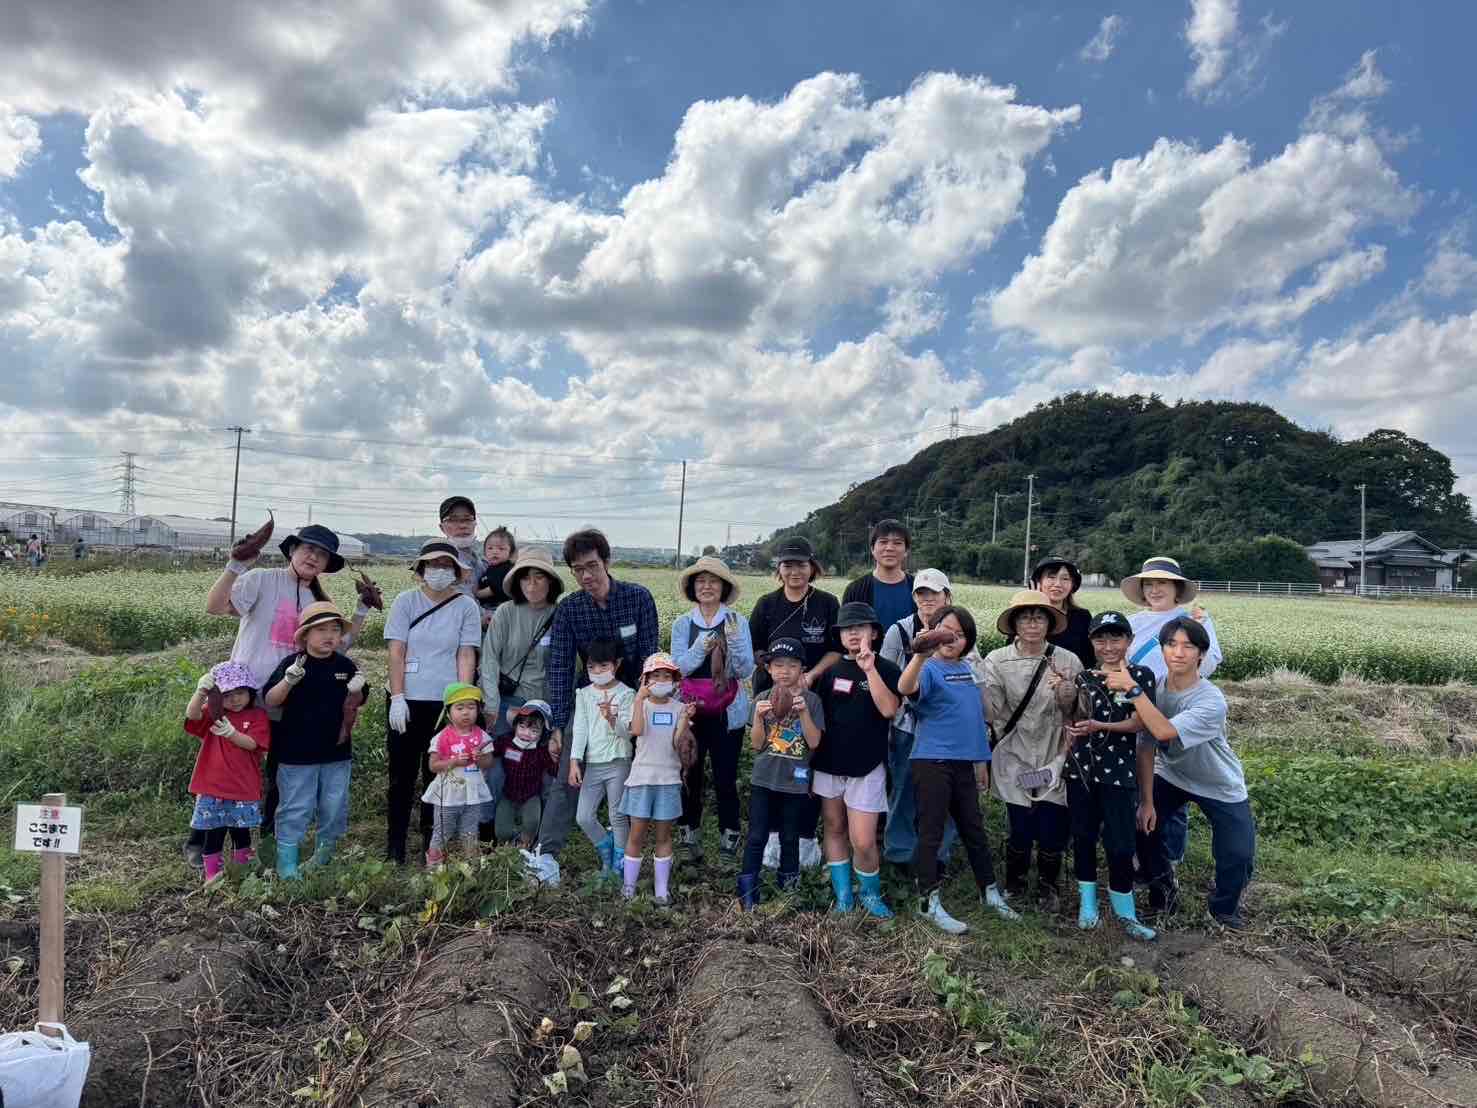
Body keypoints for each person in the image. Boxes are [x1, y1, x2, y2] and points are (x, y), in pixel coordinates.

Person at [200, 523, 364, 865]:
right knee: (227, 766)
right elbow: (215, 607)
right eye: (308, 549)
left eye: (322, 554)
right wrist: (235, 565)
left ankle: (270, 841)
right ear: (292, 550)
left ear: (327, 563)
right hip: (242, 696)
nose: (313, 557)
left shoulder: (320, 599)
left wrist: (361, 610)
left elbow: (338, 645)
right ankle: (202, 839)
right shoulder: (262, 579)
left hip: (290, 701)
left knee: (279, 771)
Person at [1111, 617, 1255, 929]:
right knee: (1141, 825)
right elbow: (1146, 746)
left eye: (1188, 646)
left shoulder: (1210, 699)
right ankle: (1163, 889)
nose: (1178, 652)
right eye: (1171, 644)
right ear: (1161, 650)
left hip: (1218, 783)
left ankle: (1224, 911)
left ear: (1201, 655)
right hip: (1173, 774)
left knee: (1237, 854)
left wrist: (1133, 691)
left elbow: (1162, 732)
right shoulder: (1156, 690)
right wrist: (1147, 801)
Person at [898, 605, 1018, 933]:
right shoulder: (929, 668)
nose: (952, 638)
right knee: (931, 832)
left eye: (960, 633)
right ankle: (928, 900)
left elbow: (980, 719)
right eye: (945, 630)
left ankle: (989, 892)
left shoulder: (968, 670)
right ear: (932, 632)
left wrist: (981, 761)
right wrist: (920, 655)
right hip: (932, 761)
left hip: (965, 763)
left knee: (973, 830)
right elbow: (905, 688)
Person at [543, 528, 660, 860]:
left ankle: (635, 849)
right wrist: (559, 724)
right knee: (567, 777)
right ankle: (548, 852)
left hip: (635, 701)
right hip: (589, 703)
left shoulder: (637, 598)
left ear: (607, 562)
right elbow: (561, 667)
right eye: (577, 569)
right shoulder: (569, 610)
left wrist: (645, 709)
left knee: (639, 776)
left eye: (592, 565)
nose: (586, 575)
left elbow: (650, 658)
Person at [1121, 556, 1224, 872]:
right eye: (1149, 584)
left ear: (1177, 588)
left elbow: (1209, 663)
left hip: (1174, 712)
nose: (1154, 590)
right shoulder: (1132, 623)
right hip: (1134, 709)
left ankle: (1171, 859)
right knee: (1136, 784)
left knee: (1170, 782)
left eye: (1161, 583)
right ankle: (1142, 855)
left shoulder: (1193, 621)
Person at [984, 589, 1083, 912]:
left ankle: (1048, 885)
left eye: (1039, 616)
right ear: (1014, 623)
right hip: (1016, 755)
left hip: (1055, 754)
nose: (1032, 623)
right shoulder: (996, 660)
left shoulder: (1067, 660)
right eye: (1025, 616)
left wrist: (1067, 693)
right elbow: (991, 709)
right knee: (1022, 823)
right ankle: (1014, 882)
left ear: (1049, 622)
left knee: (1053, 824)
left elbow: (1081, 713)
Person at [384, 540, 482, 863]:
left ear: (455, 571)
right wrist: (397, 696)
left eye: (446, 565)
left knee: (438, 777)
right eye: (432, 564)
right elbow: (396, 651)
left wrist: (463, 704)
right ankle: (394, 846)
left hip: (443, 706)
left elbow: (465, 654)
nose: (438, 571)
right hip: (407, 701)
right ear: (421, 569)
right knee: (401, 774)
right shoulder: (405, 602)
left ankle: (432, 846)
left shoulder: (466, 606)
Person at [747, 535, 839, 870]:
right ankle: (771, 838)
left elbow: (836, 648)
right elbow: (755, 648)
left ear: (812, 567)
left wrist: (810, 675)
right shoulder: (767, 604)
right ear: (779, 569)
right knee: (772, 757)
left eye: (801, 564)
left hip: (814, 696)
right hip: (772, 697)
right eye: (787, 564)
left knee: (808, 759)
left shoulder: (827, 603)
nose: (794, 571)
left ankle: (803, 837)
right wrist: (777, 676)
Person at [1064, 612, 1157, 940]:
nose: (1108, 646)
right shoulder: (1083, 678)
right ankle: (1087, 904)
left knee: (1121, 845)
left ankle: (1125, 912)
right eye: (1100, 639)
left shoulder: (1140, 676)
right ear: (1091, 642)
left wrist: (1101, 726)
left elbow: (1140, 723)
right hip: (1081, 772)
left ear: (1129, 641)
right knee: (1084, 838)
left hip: (1119, 772)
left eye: (1115, 638)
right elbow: (1073, 719)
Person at [263, 603, 368, 878]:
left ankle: (324, 855)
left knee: (334, 806)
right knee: (296, 806)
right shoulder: (292, 664)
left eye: (335, 630)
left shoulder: (346, 665)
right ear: (305, 635)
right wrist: (288, 682)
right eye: (321, 630)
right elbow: (270, 700)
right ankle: (287, 862)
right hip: (296, 752)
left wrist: (357, 690)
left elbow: (358, 699)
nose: (329, 636)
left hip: (337, 752)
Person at [813, 603, 901, 917]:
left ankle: (871, 894)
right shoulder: (832, 672)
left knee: (863, 840)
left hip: (868, 765)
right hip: (828, 763)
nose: (853, 633)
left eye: (860, 627)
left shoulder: (887, 669)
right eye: (847, 629)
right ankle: (843, 896)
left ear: (874, 633)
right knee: (834, 828)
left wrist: (869, 669)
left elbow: (890, 710)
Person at [671, 556, 755, 864]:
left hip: (726, 711)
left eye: (713, 581)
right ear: (693, 587)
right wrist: (702, 648)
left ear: (724, 587)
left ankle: (729, 837)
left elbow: (745, 670)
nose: (707, 587)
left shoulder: (736, 621)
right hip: (691, 711)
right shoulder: (682, 624)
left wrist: (732, 644)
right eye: (701, 581)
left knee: (725, 777)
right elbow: (677, 669)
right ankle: (688, 835)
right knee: (689, 773)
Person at [479, 544, 562, 839]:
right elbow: (488, 659)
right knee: (499, 766)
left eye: (539, 577)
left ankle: (538, 833)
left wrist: (558, 718)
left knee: (544, 768)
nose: (532, 584)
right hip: (507, 703)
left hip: (544, 705)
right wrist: (491, 704)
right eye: (526, 578)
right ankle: (489, 829)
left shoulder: (560, 615)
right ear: (517, 582)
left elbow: (564, 667)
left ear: (551, 582)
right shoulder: (505, 612)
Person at [878, 568, 959, 869]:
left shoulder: (959, 629)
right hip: (906, 727)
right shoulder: (899, 631)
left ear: (947, 596)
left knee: (944, 795)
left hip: (946, 729)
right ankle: (899, 853)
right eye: (921, 594)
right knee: (903, 789)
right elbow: (887, 676)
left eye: (933, 593)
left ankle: (939, 856)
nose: (927, 599)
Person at [736, 639, 824, 909]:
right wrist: (761, 719)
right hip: (764, 779)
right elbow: (756, 744)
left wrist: (804, 712)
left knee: (790, 836)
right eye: (778, 665)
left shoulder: (812, 700)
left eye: (792, 665)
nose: (785, 671)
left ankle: (789, 888)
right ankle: (748, 892)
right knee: (756, 835)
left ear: (802, 669)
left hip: (795, 782)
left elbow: (814, 742)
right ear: (769, 669)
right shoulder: (762, 699)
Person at [183, 662, 271, 885]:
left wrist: (232, 733)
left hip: (243, 786)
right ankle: (213, 875)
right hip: (212, 786)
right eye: (227, 694)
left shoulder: (258, 716)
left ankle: (242, 872)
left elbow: (253, 744)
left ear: (250, 692)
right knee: (213, 832)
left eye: (240, 692)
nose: (234, 699)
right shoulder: (214, 713)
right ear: (218, 697)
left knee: (241, 833)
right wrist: (200, 691)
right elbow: (192, 715)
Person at [617, 654, 694, 904]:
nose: (662, 680)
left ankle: (661, 891)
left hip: (669, 780)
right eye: (656, 676)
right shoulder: (640, 704)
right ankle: (628, 889)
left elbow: (676, 743)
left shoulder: (679, 707)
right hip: (641, 779)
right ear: (645, 680)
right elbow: (637, 731)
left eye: (667, 676)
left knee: (664, 837)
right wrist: (639, 700)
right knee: (636, 836)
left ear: (674, 681)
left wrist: (683, 721)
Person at [569, 639, 636, 878]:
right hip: (593, 763)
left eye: (603, 666)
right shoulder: (584, 694)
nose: (597, 672)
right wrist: (574, 761)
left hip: (619, 760)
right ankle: (607, 848)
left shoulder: (627, 694)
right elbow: (580, 728)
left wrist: (611, 718)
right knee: (584, 816)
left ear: (616, 664)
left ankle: (619, 866)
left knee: (617, 815)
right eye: (591, 667)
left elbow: (628, 732)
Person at [421, 683, 495, 866]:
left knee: (470, 833)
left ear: (477, 711)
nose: (465, 713)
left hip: (472, 796)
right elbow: (433, 765)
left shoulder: (482, 737)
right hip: (447, 797)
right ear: (448, 712)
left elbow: (489, 763)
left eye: (471, 707)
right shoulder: (442, 738)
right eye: (459, 708)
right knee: (442, 833)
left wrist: (479, 759)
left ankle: (470, 868)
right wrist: (453, 762)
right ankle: (433, 869)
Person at [492, 701, 561, 847]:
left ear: (543, 734)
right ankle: (505, 850)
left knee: (531, 823)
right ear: (515, 725)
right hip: (508, 794)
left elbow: (554, 771)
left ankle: (524, 848)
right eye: (522, 727)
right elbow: (491, 750)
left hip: (531, 796)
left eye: (534, 731)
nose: (526, 733)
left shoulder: (542, 751)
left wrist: (557, 756)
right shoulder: (506, 742)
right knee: (501, 831)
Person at [842, 519, 917, 632]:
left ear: (906, 551)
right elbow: (846, 632)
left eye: (897, 543)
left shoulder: (918, 587)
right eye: (883, 542)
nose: (889, 548)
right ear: (872, 549)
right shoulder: (855, 590)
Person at [1030, 555, 1094, 669]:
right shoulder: (1022, 615)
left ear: (1072, 585)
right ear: (1038, 582)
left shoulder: (1082, 617)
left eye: (1065, 579)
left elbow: (1089, 659)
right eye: (1051, 577)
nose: (1058, 584)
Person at [437, 496, 487, 607]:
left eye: (468, 519)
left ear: (475, 523)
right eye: (453, 520)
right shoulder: (440, 563)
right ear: (442, 527)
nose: (462, 525)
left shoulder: (481, 559)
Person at [475, 526, 517, 619]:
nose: (495, 552)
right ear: (485, 552)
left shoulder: (506, 568)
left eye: (501, 549)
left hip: (498, 608)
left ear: (511, 553)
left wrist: (476, 594)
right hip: (488, 607)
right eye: (490, 548)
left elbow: (495, 588)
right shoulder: (490, 568)